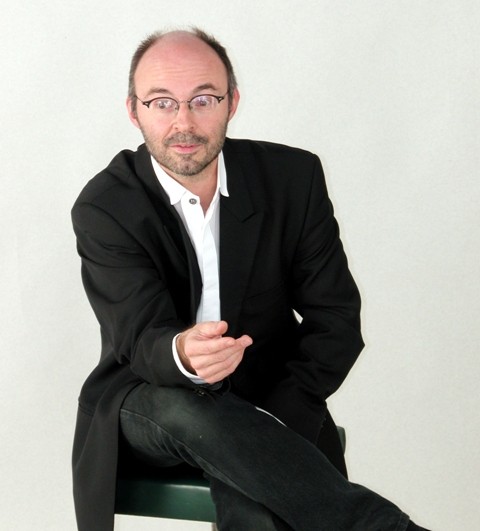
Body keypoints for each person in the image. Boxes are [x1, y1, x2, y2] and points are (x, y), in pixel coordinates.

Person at [71, 28, 430, 531]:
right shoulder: (106, 206)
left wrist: (279, 415)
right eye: (161, 103)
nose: (183, 122)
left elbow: (335, 319)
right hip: (151, 399)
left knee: (257, 495)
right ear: (134, 111)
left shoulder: (292, 179)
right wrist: (183, 353)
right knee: (190, 410)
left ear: (232, 102)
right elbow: (139, 337)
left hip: (270, 395)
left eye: (203, 100)